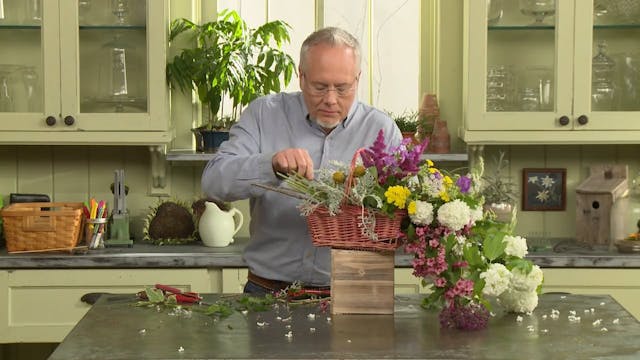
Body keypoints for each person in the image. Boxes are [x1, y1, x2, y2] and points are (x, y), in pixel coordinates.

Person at [201, 26, 402, 295]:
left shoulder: (381, 129)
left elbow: (405, 208)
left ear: (358, 79)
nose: (331, 100)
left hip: (354, 292)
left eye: (342, 88)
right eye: (320, 87)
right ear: (301, 76)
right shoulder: (264, 114)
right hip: (268, 290)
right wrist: (269, 164)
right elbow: (214, 181)